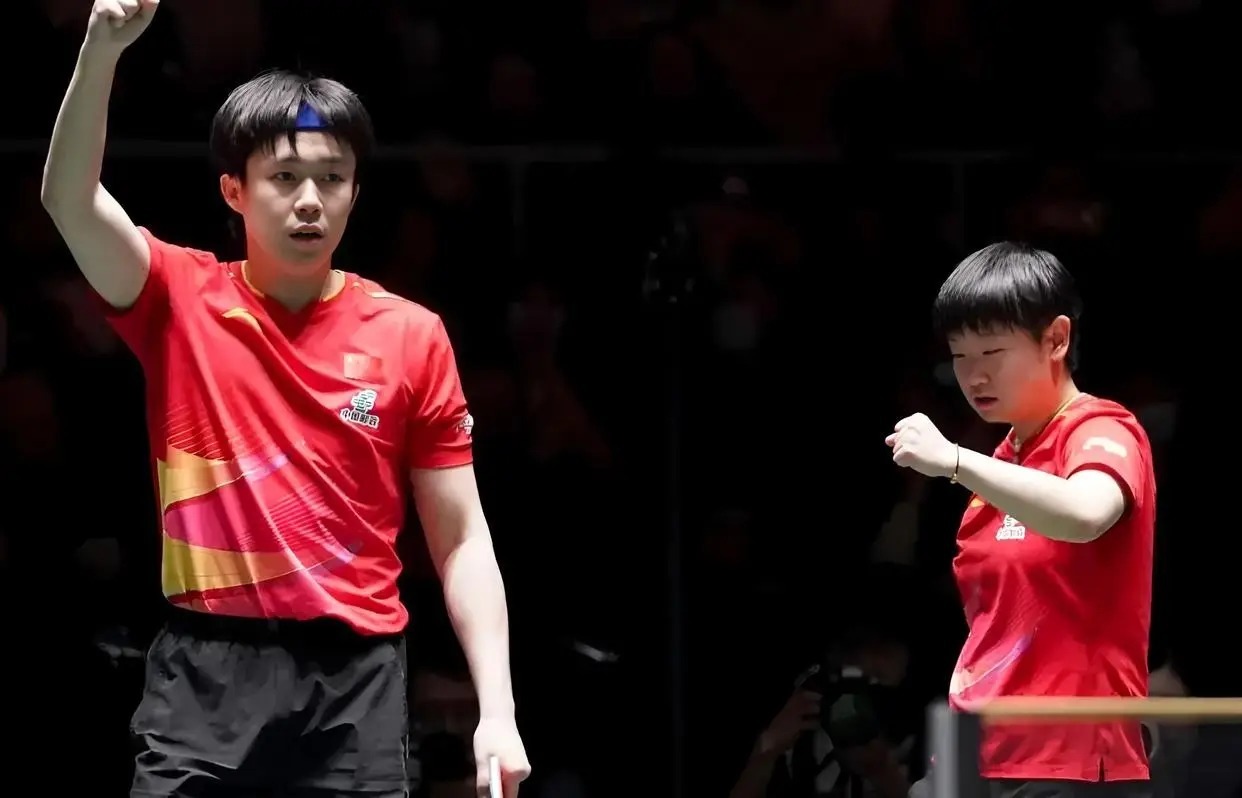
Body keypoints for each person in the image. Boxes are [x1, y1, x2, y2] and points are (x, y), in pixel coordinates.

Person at [40, 2, 531, 796]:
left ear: (355, 194)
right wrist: (101, 51)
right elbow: (69, 200)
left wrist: (497, 711)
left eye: (332, 179)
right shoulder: (176, 298)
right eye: (285, 178)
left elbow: (462, 540)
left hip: (353, 687)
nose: (310, 199)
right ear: (234, 190)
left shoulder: (411, 335)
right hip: (204, 679)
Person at [884, 243, 1154, 798]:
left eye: (992, 351)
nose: (973, 375)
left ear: (1056, 339)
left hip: (1070, 763)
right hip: (975, 758)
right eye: (959, 356)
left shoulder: (1101, 429)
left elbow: (1086, 512)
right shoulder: (1002, 465)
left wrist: (954, 459)